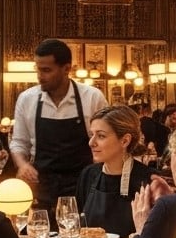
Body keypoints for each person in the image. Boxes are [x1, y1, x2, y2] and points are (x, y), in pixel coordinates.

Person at [10, 38, 108, 217]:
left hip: (84, 184)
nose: (40, 76)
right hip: (43, 186)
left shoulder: (92, 98)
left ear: (66, 69)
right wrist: (23, 165)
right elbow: (18, 143)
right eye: (38, 69)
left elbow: (107, 141)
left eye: (46, 70)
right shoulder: (27, 99)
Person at [76, 105, 157, 237]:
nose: (91, 142)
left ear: (125, 140)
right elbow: (77, 227)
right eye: (92, 135)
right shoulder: (89, 175)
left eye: (101, 136)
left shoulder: (148, 180)